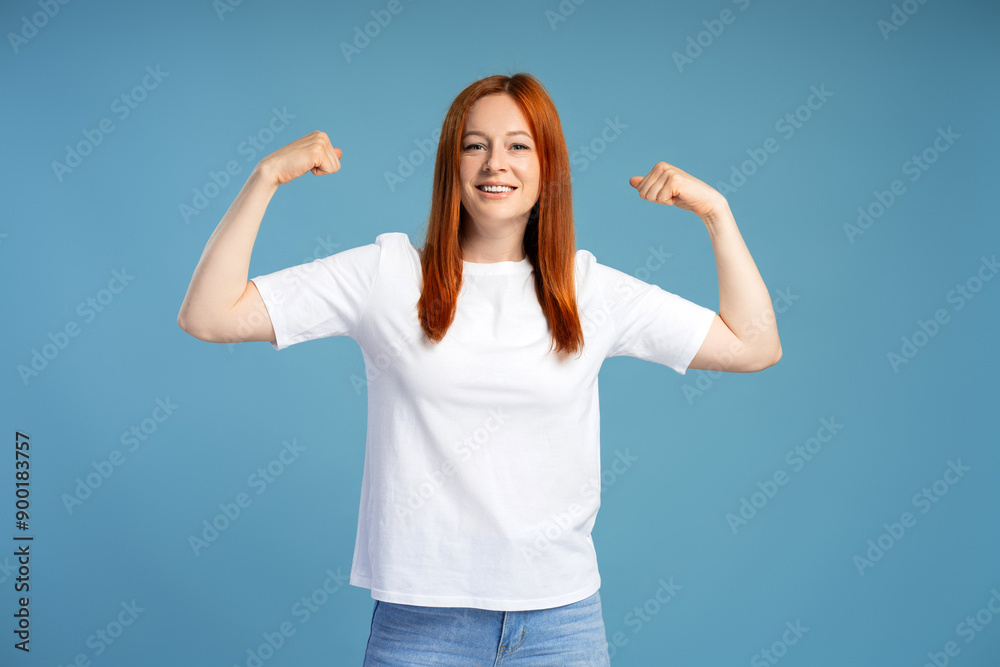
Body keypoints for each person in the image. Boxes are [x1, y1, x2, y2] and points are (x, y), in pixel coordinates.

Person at [177, 72, 781, 666]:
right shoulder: (385, 276)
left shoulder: (587, 288)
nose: (497, 163)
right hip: (422, 625)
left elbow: (753, 347)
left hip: (560, 624)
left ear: (548, 169)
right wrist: (265, 180)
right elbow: (209, 315)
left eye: (519, 146)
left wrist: (717, 213)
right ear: (452, 165)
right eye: (476, 145)